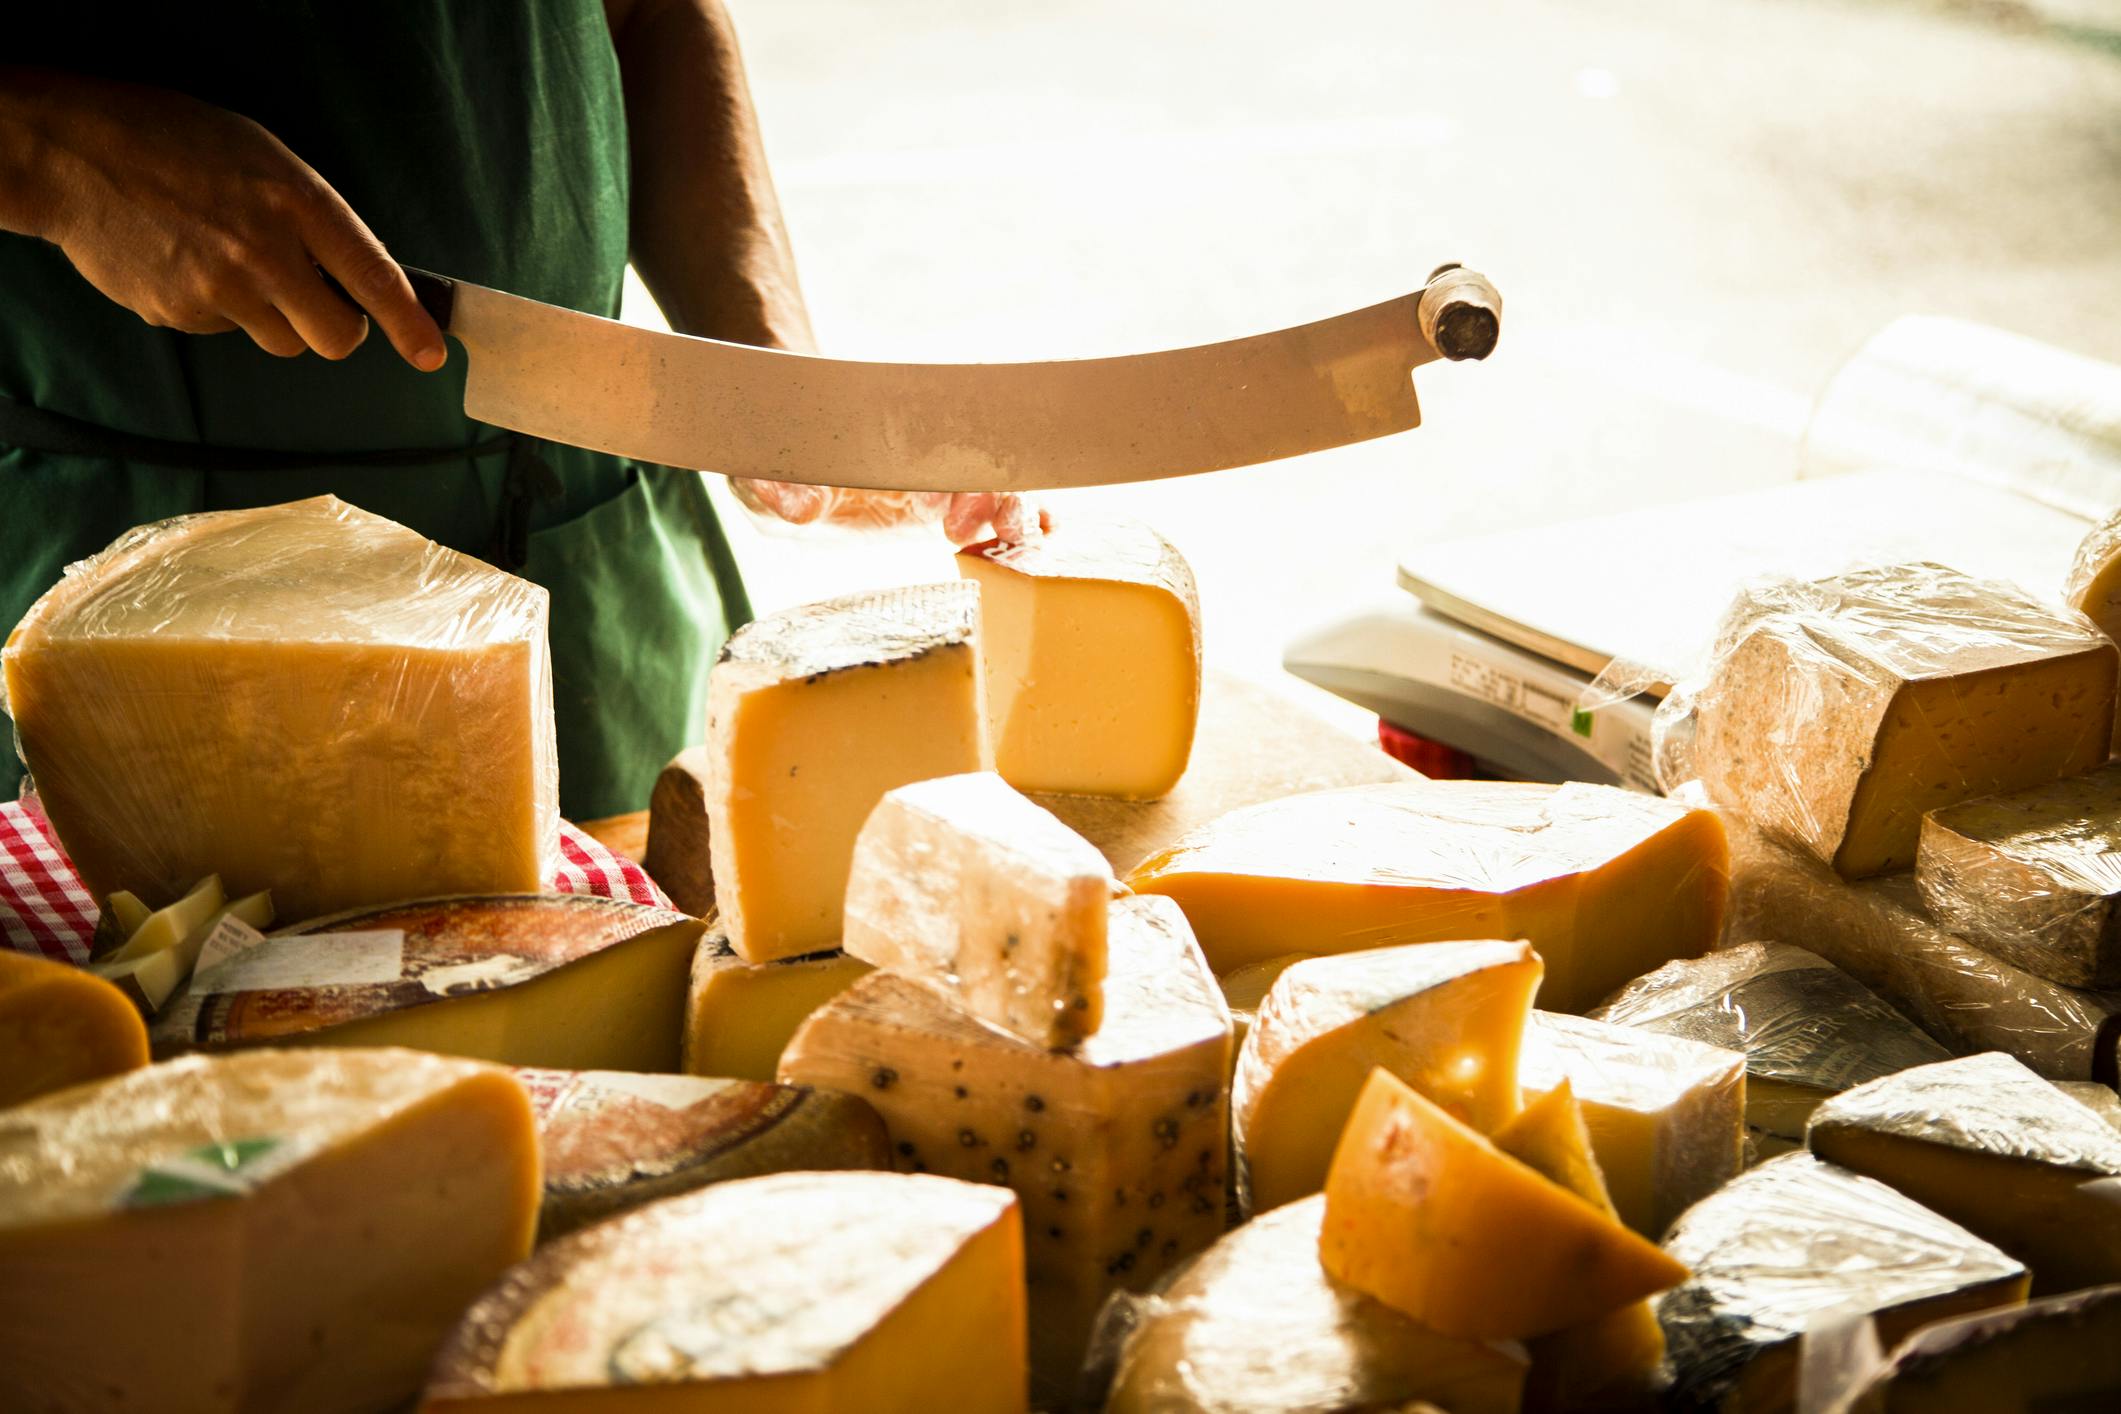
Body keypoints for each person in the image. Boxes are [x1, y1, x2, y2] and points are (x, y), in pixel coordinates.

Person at [0, 1, 1035, 819]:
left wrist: (762, 367)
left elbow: (648, 12)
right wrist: (49, 151)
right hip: (139, 601)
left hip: (589, 574)